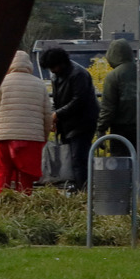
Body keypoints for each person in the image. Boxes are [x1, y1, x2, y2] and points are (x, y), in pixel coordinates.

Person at [0, 50, 53, 195]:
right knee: (26, 176)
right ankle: (24, 207)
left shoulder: (2, 83)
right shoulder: (40, 85)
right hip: (31, 138)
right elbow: (47, 115)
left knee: (2, 174)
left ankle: (0, 206)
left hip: (2, 137)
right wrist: (44, 136)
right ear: (29, 65)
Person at [94, 38, 140, 177]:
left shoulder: (113, 76)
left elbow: (108, 108)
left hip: (121, 127)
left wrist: (101, 129)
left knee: (121, 165)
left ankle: (124, 196)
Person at [42, 47, 98, 191]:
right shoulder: (58, 76)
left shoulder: (79, 74)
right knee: (73, 160)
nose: (52, 70)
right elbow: (57, 100)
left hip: (82, 123)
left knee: (78, 160)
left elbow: (79, 100)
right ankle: (80, 189)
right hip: (68, 123)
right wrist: (56, 116)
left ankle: (84, 192)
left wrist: (57, 114)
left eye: (53, 66)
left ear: (61, 63)